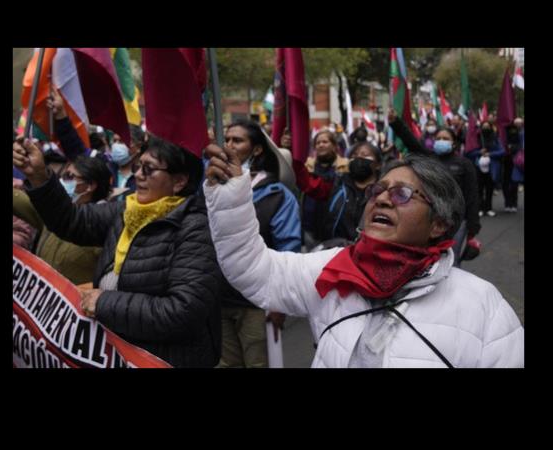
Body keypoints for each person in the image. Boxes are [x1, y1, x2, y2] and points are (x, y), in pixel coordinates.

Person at [203, 148, 524, 368]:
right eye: (378, 191)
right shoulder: (331, 267)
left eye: (401, 194)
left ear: (438, 223)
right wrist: (231, 199)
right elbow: (255, 271)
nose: (382, 199)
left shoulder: (483, 305)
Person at [13, 133, 225, 367]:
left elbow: (183, 311)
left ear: (179, 181)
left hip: (166, 360)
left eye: (149, 169)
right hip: (117, 353)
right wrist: (40, 176)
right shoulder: (127, 209)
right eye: (138, 166)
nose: (138, 175)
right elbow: (71, 220)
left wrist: (105, 303)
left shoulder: (195, 228)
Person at [218, 120, 301, 367]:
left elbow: (288, 251)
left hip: (257, 304)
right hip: (221, 298)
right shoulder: (215, 188)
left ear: (256, 150)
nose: (229, 146)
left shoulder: (277, 196)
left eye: (238, 140)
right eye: (227, 139)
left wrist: (278, 302)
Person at [13, 155, 112, 285]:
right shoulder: (55, 212)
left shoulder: (103, 227)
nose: (62, 181)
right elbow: (19, 200)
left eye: (69, 177)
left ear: (90, 186)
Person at [295, 141, 384, 246]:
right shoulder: (336, 183)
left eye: (365, 155)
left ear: (378, 165)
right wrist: (293, 155)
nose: (358, 158)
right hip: (333, 251)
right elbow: (308, 183)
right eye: (354, 155)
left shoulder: (384, 193)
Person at [432, 127, 481, 265]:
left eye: (445, 139)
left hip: (456, 221)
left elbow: (472, 196)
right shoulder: (428, 162)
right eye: (438, 138)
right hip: (430, 219)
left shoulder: (464, 164)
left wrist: (473, 226)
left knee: (451, 262)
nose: (441, 141)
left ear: (454, 143)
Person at [465, 121, 505, 217]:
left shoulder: (495, 138)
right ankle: (480, 208)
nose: (486, 128)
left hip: (491, 168)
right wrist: (479, 152)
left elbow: (502, 151)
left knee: (489, 188)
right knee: (479, 189)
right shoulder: (476, 139)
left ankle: (489, 208)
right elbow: (468, 153)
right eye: (484, 126)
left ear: (491, 127)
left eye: (488, 126)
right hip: (478, 168)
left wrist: (490, 154)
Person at [502, 118, 523, 212]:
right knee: (505, 183)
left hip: (517, 161)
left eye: (520, 123)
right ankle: (507, 203)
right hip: (505, 160)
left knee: (514, 182)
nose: (518, 125)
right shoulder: (505, 131)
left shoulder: (522, 133)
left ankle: (514, 203)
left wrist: (513, 147)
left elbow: (521, 145)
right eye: (516, 123)